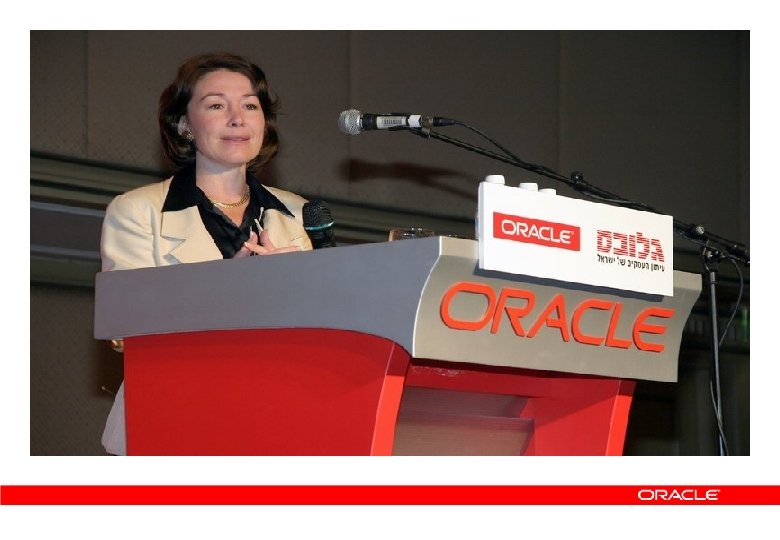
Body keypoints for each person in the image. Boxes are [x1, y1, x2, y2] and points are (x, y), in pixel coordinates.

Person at [99, 52, 313, 455]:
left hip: (275, 422)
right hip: (170, 422)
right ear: (184, 125)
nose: (237, 118)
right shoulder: (138, 211)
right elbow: (124, 329)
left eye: (250, 106)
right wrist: (227, 286)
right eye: (216, 105)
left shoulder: (300, 215)